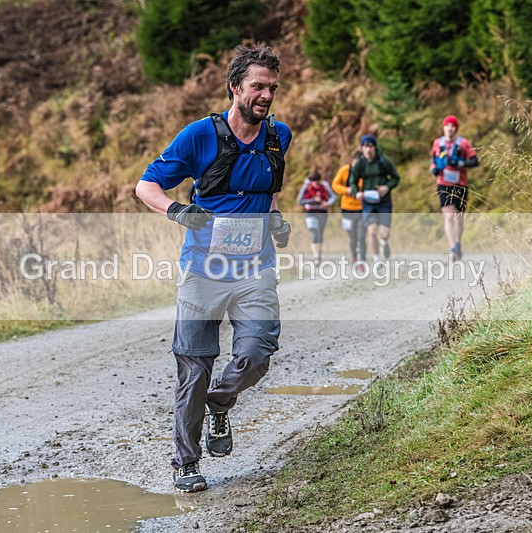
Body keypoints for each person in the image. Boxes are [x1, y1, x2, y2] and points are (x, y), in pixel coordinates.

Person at [135, 44, 292, 493]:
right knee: (194, 368)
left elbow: (269, 184)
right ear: (234, 88)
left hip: (255, 269)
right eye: (258, 86)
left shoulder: (279, 135)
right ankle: (186, 462)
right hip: (203, 271)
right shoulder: (199, 136)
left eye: (272, 88)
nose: (266, 95)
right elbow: (146, 186)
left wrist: (274, 216)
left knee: (257, 354)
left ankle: (219, 405)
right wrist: (179, 211)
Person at [429, 115, 479, 261]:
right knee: (449, 215)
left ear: (455, 128)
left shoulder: (463, 143)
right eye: (447, 125)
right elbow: (433, 158)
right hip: (443, 184)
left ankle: (458, 242)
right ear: (443, 127)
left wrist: (461, 163)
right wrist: (433, 168)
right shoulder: (437, 143)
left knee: (458, 217)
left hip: (460, 184)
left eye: (452, 126)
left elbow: (475, 161)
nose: (449, 128)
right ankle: (453, 248)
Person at [349, 134, 400, 262]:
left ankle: (384, 242)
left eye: (371, 146)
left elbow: (396, 178)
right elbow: (352, 181)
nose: (368, 149)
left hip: (384, 202)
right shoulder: (359, 164)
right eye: (365, 146)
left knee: (384, 233)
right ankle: (377, 259)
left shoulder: (384, 161)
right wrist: (356, 193)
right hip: (368, 203)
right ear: (362, 148)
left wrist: (387, 187)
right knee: (371, 231)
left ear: (375, 148)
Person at [331, 151, 366, 267]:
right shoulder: (344, 170)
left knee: (361, 236)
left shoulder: (366, 172)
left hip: (362, 208)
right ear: (352, 161)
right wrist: (346, 190)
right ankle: (354, 256)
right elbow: (335, 185)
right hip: (347, 209)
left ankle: (362, 261)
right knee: (352, 236)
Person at [296, 170, 335, 263]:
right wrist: (313, 200)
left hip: (322, 211)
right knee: (314, 232)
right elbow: (300, 201)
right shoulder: (306, 186)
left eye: (317, 181)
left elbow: (333, 196)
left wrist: (328, 203)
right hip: (311, 212)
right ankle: (316, 257)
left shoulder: (324, 185)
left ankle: (319, 255)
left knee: (320, 234)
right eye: (314, 181)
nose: (315, 183)